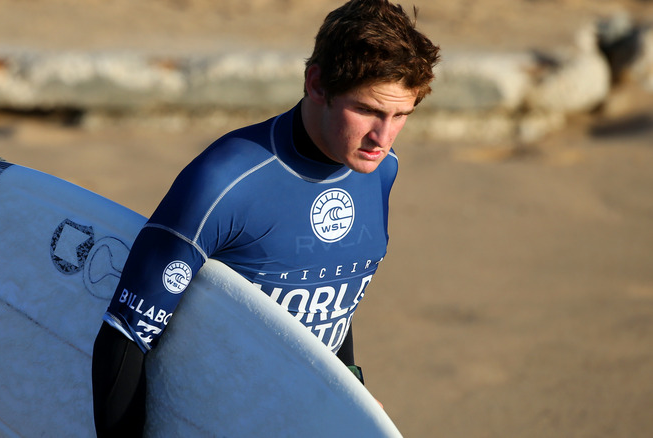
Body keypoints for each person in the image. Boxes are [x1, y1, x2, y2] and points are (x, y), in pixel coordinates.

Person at [92, 0, 440, 436]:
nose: (382, 137)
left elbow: (332, 296)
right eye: (368, 110)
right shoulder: (226, 180)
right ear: (317, 83)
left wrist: (349, 388)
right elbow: (125, 336)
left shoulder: (380, 171)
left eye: (401, 115)